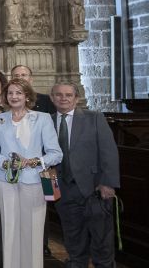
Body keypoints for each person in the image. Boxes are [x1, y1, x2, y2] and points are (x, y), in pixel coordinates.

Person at [0, 78, 62, 268]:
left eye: (18, 93)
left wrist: (35, 161)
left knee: (33, 228)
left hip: (35, 180)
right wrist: (7, 163)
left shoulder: (42, 119)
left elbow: (56, 153)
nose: (14, 96)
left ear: (27, 96)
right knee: (9, 227)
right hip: (6, 179)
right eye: (10, 93)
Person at [51, 82, 120, 268]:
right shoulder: (45, 121)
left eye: (68, 95)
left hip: (94, 189)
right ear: (52, 98)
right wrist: (49, 191)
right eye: (58, 95)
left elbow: (109, 152)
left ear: (77, 98)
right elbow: (42, 158)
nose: (63, 98)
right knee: (74, 241)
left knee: (102, 242)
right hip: (63, 192)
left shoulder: (94, 118)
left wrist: (108, 183)